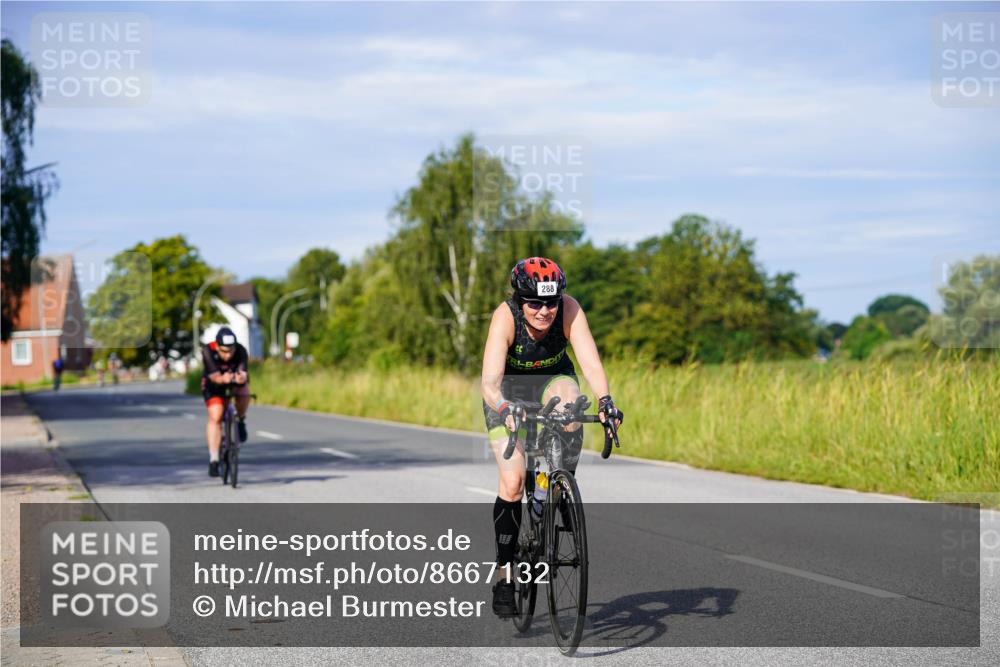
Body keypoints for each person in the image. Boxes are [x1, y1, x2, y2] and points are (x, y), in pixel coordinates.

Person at [480, 257, 624, 617]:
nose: (544, 311)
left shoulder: (569, 309)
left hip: (553, 381)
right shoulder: (505, 317)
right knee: (513, 482)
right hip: (507, 394)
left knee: (572, 407)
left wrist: (606, 402)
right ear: (520, 300)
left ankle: (560, 485)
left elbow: (591, 363)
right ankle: (505, 576)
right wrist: (504, 408)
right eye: (534, 303)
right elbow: (489, 383)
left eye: (551, 302)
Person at [201, 327, 251, 477]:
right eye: (224, 351)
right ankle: (214, 459)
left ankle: (240, 419)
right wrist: (223, 378)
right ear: (217, 346)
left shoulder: (241, 350)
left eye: (231, 351)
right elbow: (215, 377)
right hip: (213, 384)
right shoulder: (208, 351)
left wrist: (240, 378)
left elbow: (243, 374)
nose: (228, 355)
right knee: (216, 415)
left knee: (244, 392)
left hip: (233, 381)